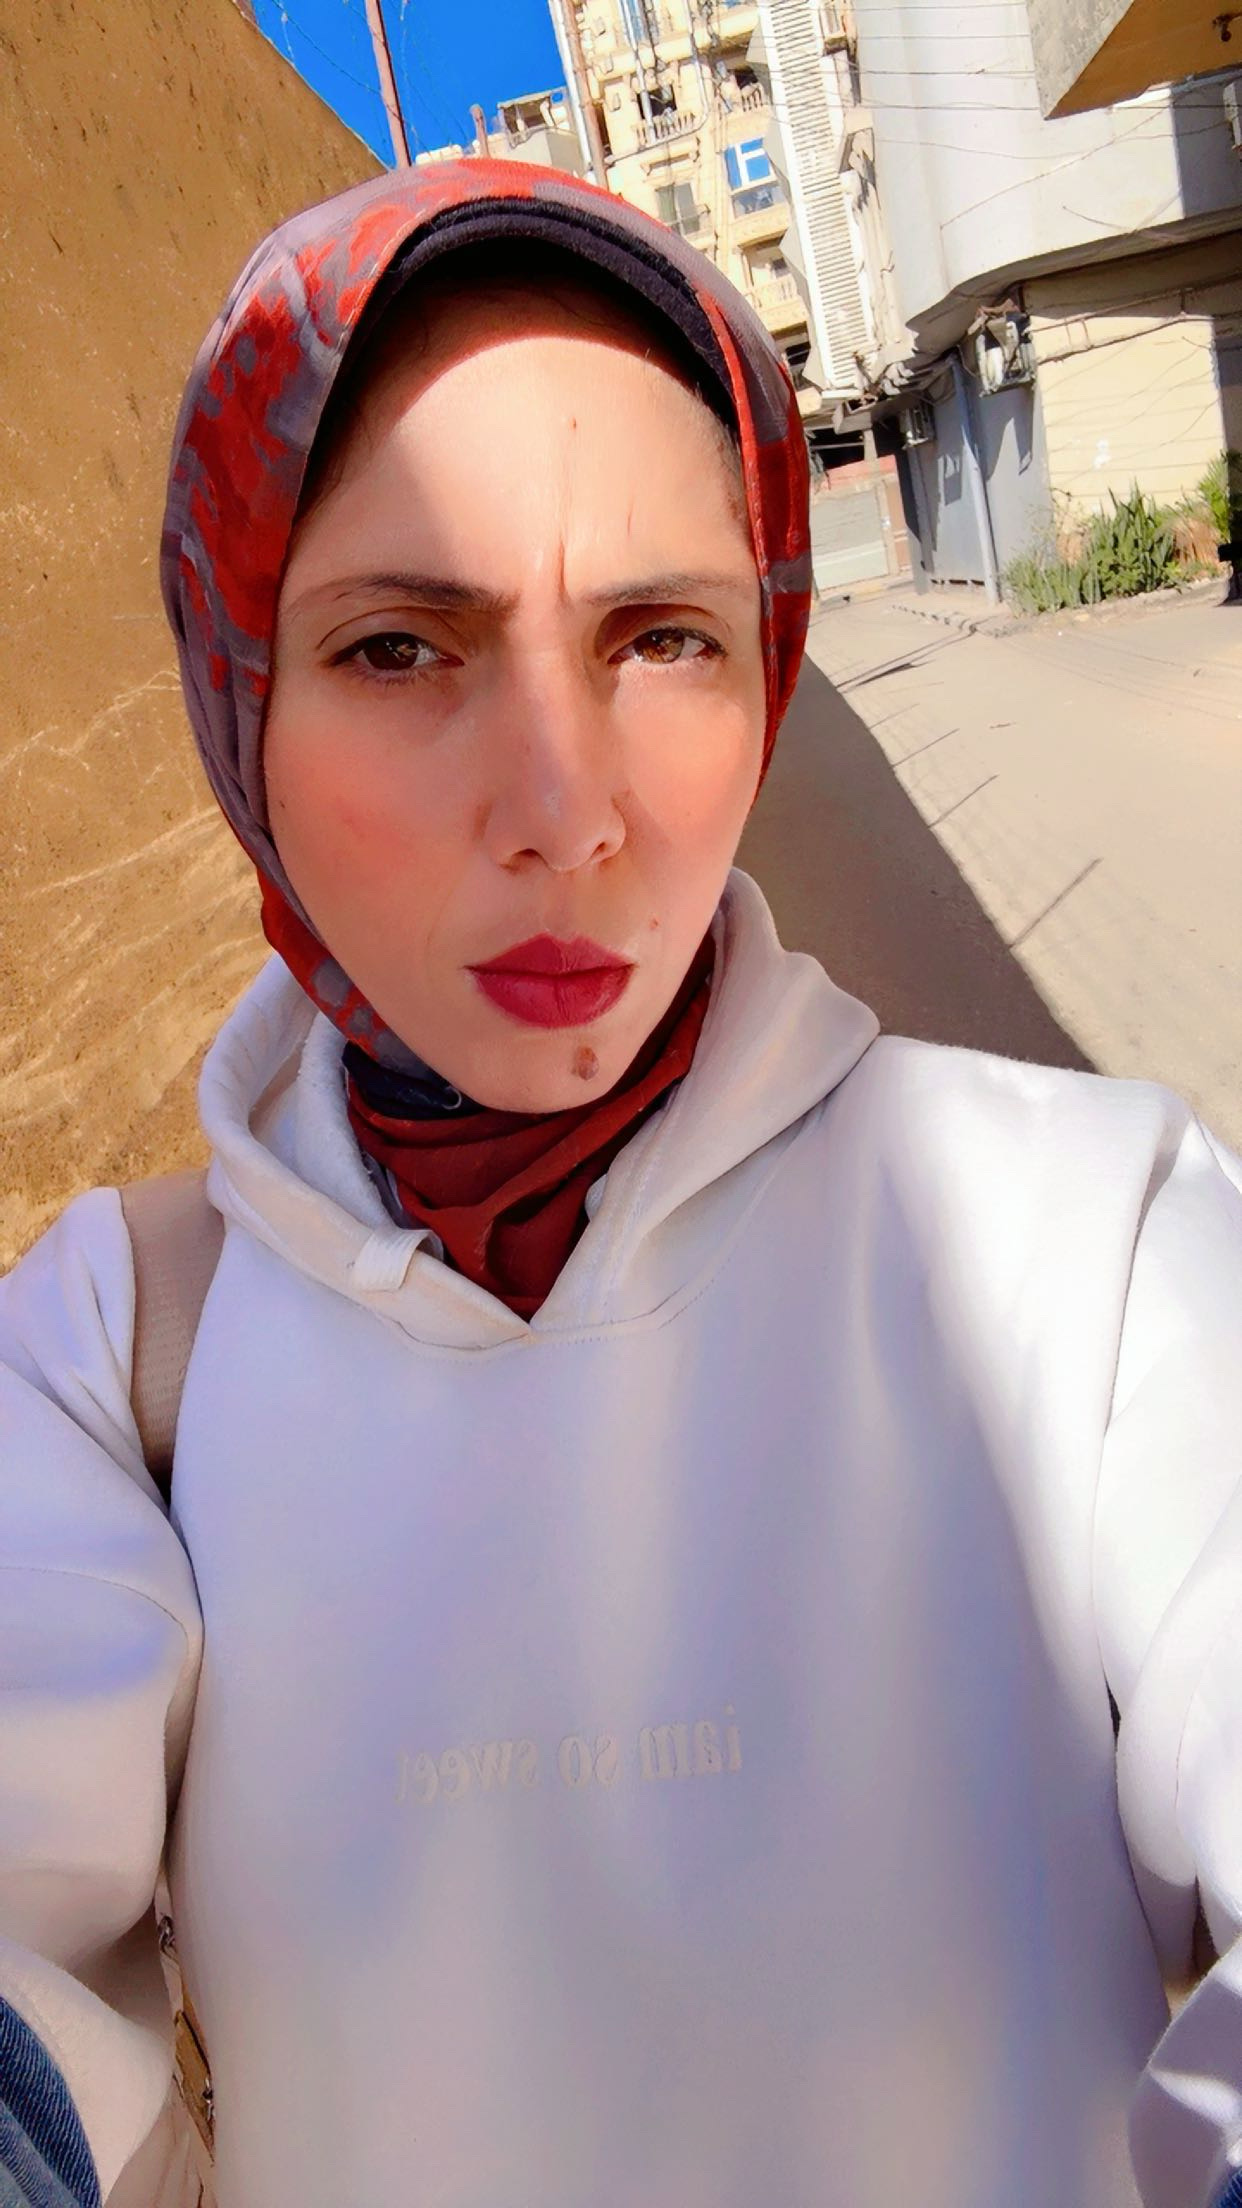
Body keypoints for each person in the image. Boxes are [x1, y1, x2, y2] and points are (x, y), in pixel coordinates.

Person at [0, 159, 1240, 2208]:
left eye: (663, 637)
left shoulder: (1098, 1248)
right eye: (400, 648)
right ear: (242, 703)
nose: (564, 811)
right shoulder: (103, 1365)